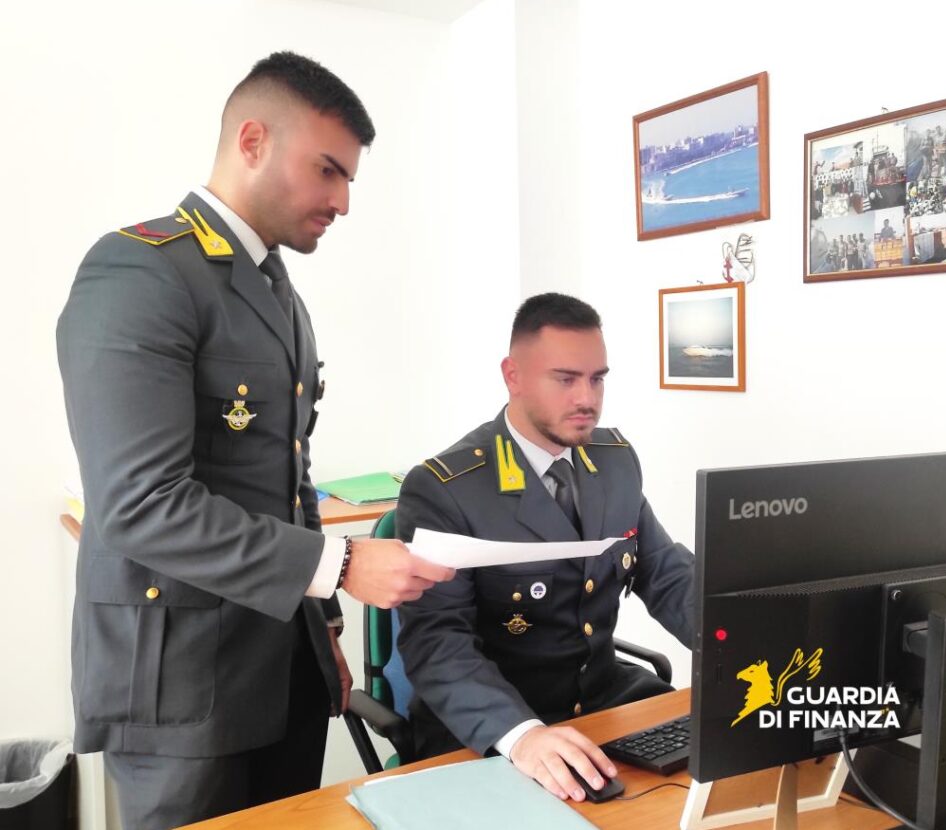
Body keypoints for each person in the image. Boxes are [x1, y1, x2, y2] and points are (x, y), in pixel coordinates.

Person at [56, 52, 454, 830]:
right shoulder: (140, 272)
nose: (342, 201)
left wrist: (323, 628)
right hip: (179, 689)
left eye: (349, 180)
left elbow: (288, 474)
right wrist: (343, 565)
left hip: (282, 666)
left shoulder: (276, 290)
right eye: (328, 170)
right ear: (252, 141)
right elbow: (140, 505)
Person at [395, 293, 695, 802]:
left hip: (602, 702)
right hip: (496, 726)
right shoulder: (447, 488)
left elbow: (667, 575)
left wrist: (743, 646)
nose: (587, 399)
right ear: (512, 376)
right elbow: (437, 642)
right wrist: (522, 736)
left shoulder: (614, 460)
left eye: (597, 379)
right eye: (565, 379)